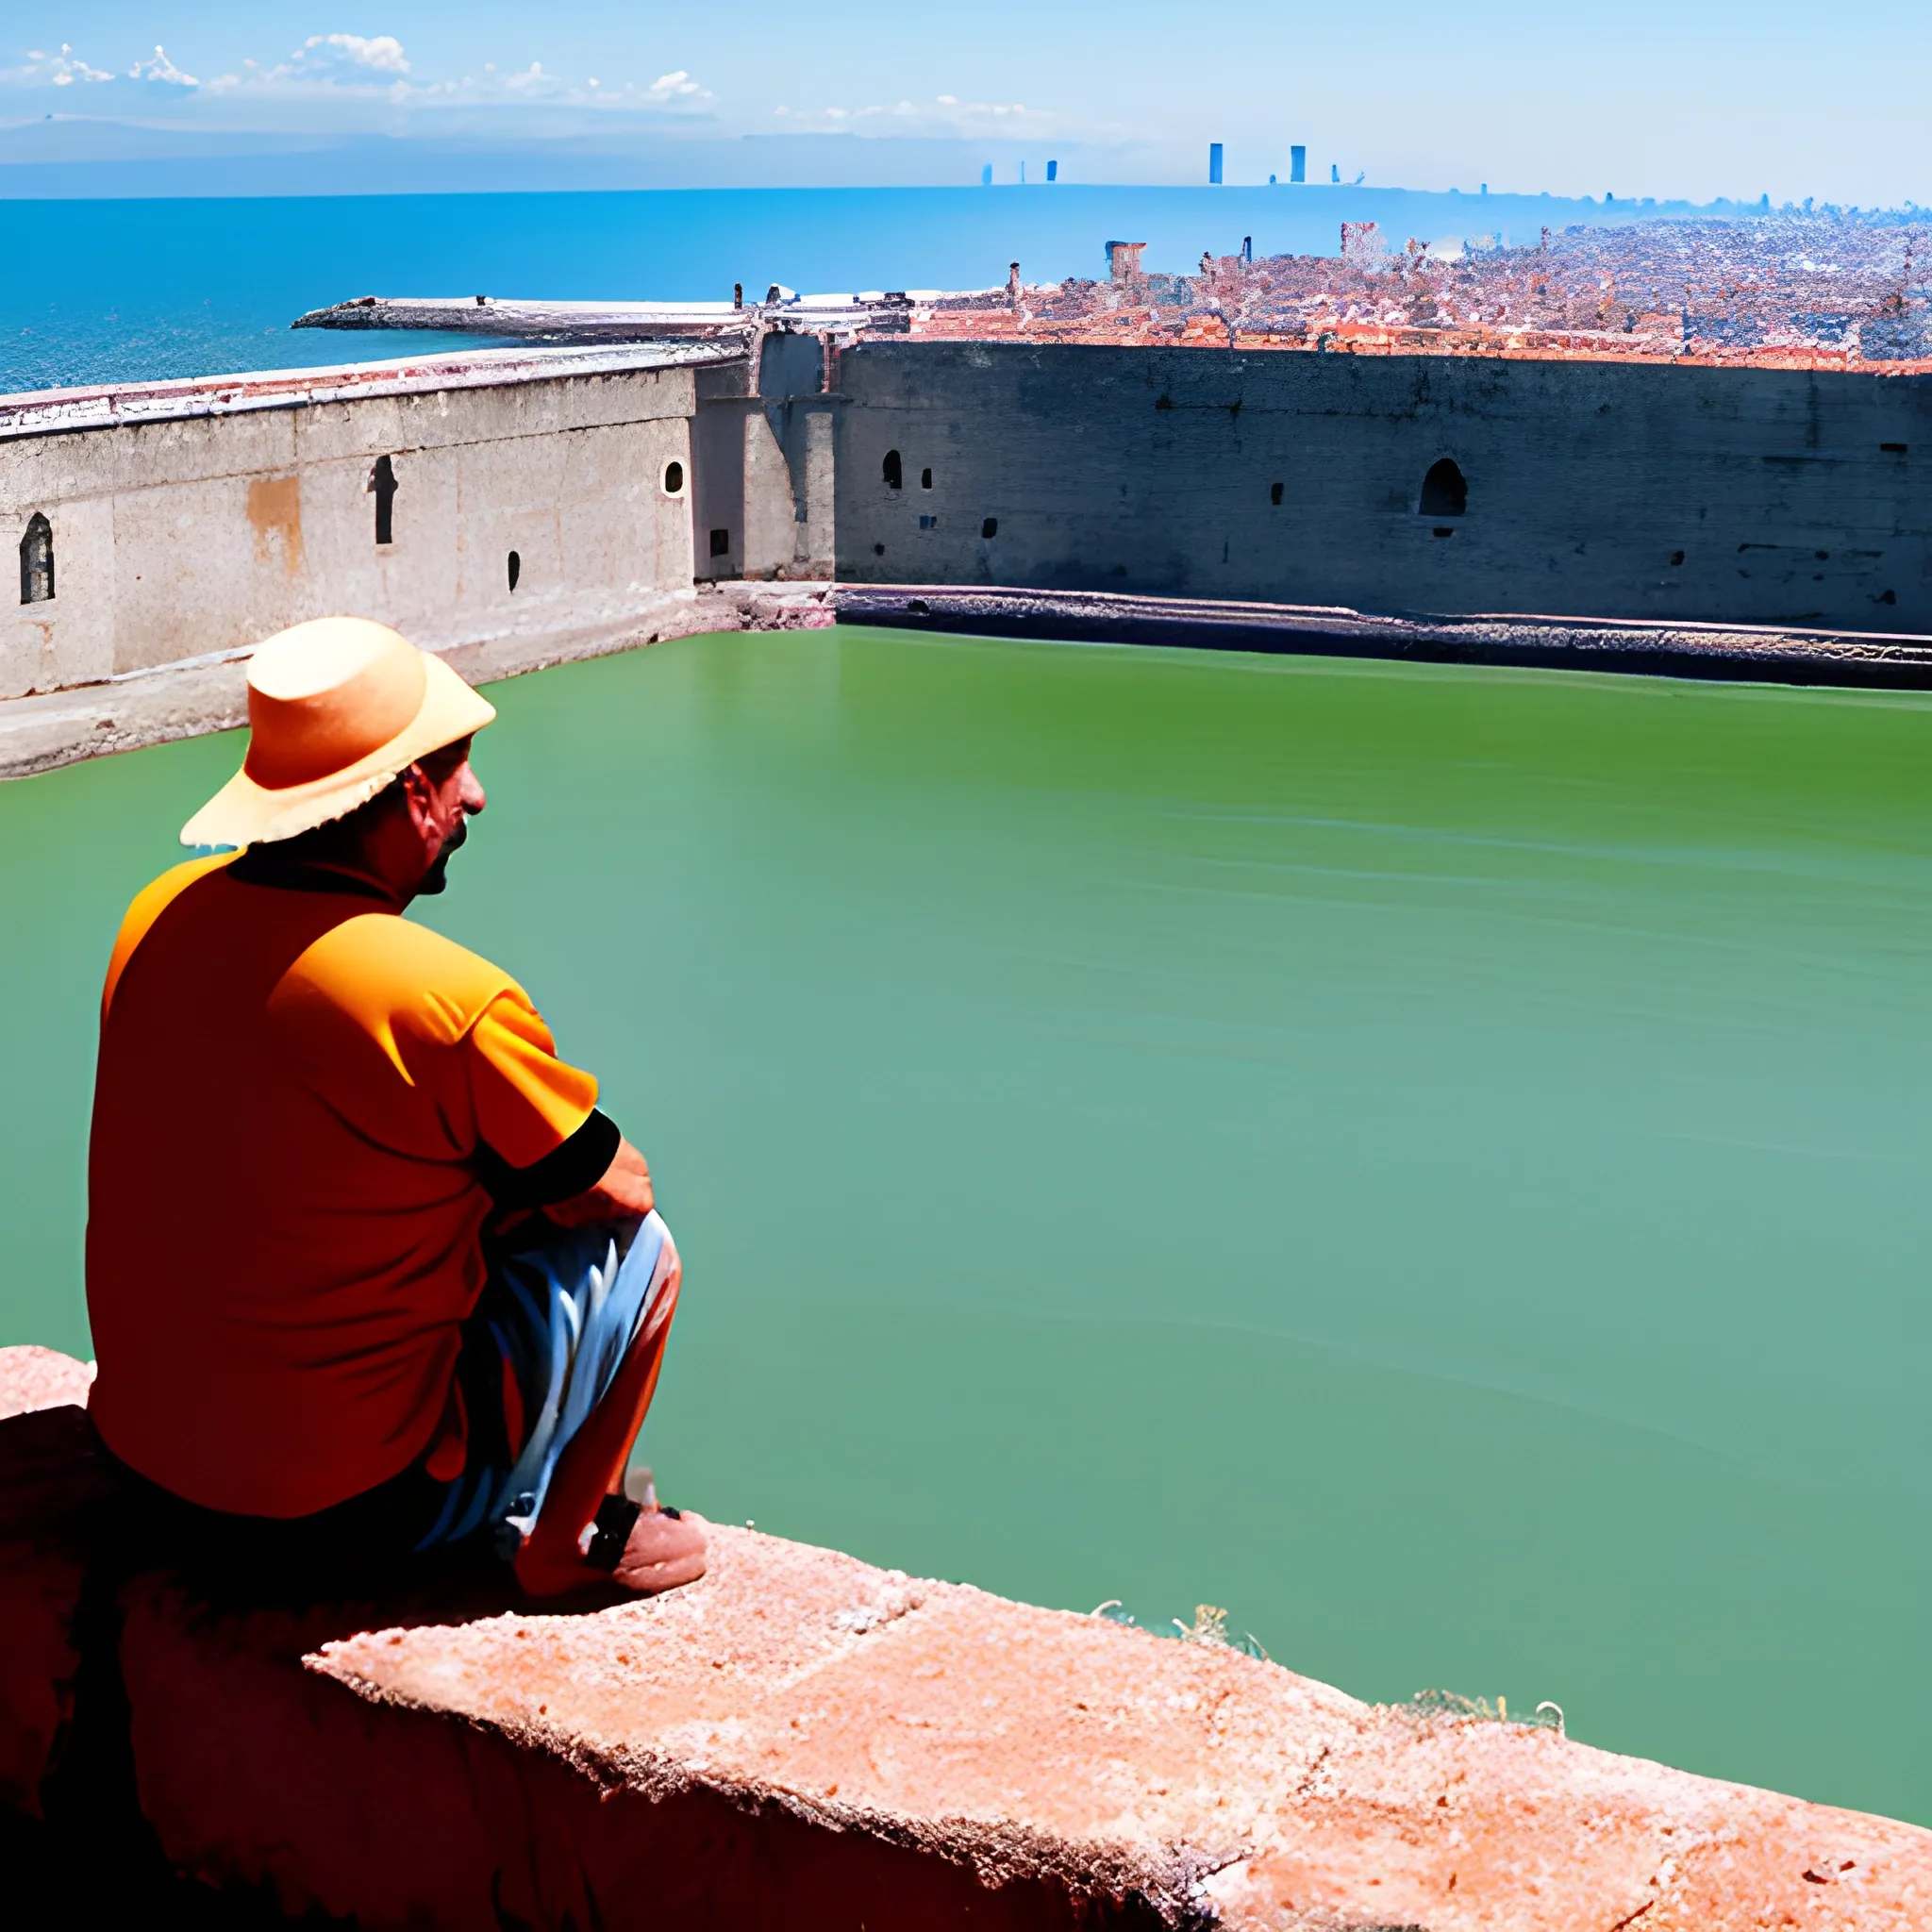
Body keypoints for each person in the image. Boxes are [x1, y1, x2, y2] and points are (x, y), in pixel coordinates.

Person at [85, 616, 707, 1600]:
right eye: (457, 766)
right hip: (346, 1513)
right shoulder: (439, 997)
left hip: (149, 1473)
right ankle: (569, 1538)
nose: (475, 794)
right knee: (643, 1250)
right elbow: (621, 1187)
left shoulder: (156, 912)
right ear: (412, 791)